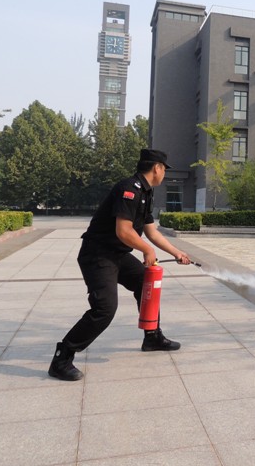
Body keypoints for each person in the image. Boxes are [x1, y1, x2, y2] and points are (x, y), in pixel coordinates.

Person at [48, 148, 193, 381]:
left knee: (145, 282)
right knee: (105, 309)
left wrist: (177, 252)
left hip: (118, 254)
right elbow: (123, 231)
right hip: (98, 254)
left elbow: (152, 233)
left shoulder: (146, 192)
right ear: (157, 168)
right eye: (164, 169)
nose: (164, 173)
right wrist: (146, 250)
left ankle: (152, 336)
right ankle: (62, 357)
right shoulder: (129, 189)